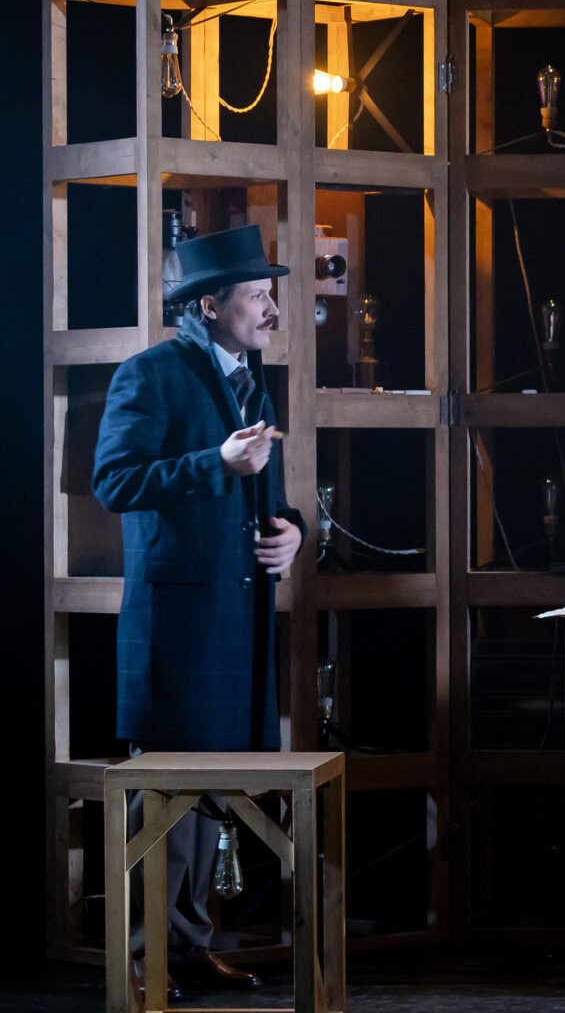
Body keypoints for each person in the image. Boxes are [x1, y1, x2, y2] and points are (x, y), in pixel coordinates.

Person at [93, 224, 305, 994]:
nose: (272, 310)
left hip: (237, 620)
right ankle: (142, 957)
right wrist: (214, 461)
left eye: (270, 295)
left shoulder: (251, 379)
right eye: (256, 296)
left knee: (213, 791)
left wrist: (293, 533)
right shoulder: (150, 374)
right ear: (209, 306)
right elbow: (115, 481)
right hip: (179, 625)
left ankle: (186, 947)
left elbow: (266, 497)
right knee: (166, 795)